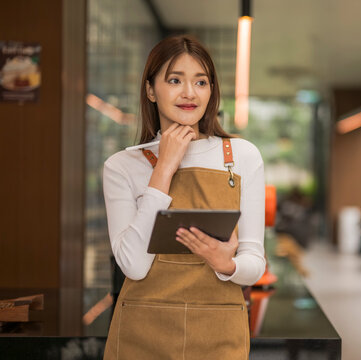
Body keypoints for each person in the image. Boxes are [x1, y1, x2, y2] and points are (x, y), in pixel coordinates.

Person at [102, 35, 265, 359]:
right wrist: (164, 168)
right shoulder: (122, 166)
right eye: (175, 80)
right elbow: (133, 266)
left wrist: (227, 264)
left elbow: (255, 261)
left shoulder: (243, 156)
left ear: (211, 90)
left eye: (200, 82)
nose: (189, 93)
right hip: (143, 330)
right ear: (151, 90)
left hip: (219, 331)